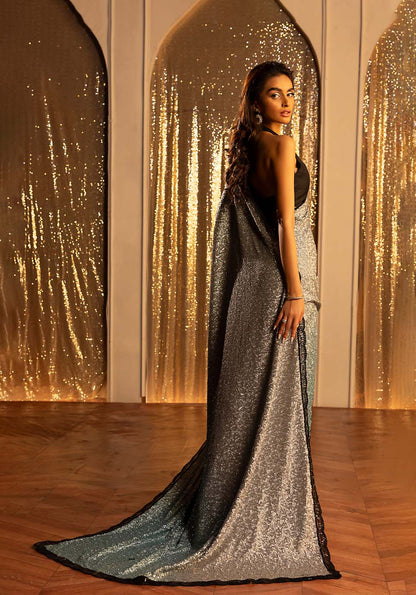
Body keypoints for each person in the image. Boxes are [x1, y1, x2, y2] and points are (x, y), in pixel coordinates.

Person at [32, 61, 342, 586]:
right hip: (279, 291)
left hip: (251, 291)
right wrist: (295, 292)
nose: (287, 102)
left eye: (290, 93)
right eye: (275, 94)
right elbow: (286, 227)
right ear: (256, 103)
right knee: (279, 409)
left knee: (252, 410)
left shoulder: (248, 149)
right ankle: (264, 524)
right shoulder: (280, 146)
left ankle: (241, 511)